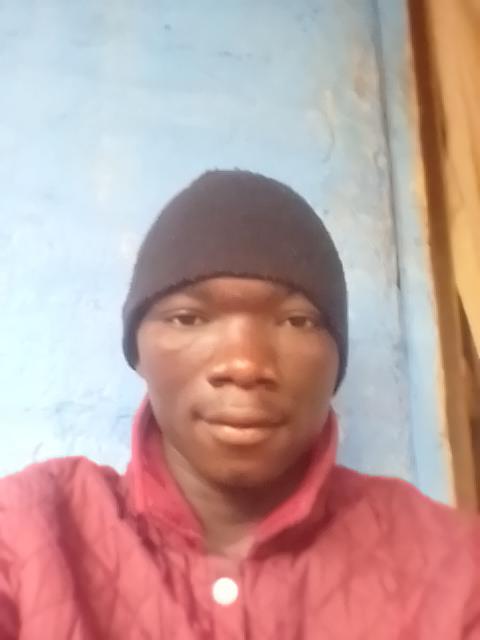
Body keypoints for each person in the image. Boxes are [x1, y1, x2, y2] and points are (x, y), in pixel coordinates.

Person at [0, 170, 478, 639]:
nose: (245, 365)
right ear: (137, 352)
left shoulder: (453, 570)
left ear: (337, 359)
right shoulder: (28, 535)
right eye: (188, 318)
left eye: (297, 321)